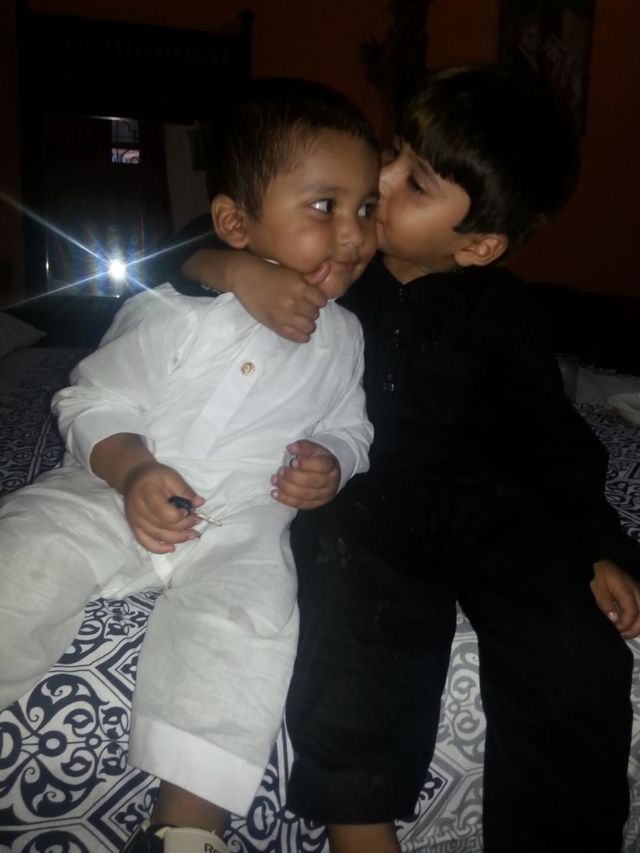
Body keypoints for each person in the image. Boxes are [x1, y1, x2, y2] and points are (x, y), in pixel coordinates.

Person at [175, 65, 640, 853]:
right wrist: (236, 270)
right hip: (368, 494)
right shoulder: (326, 266)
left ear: (479, 244)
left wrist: (600, 543)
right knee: (346, 589)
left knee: (575, 646)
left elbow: (553, 436)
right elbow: (179, 257)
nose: (381, 178)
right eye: (392, 151)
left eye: (415, 180)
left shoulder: (510, 311)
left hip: (495, 509)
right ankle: (358, 822)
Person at [0, 78, 380, 853]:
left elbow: (353, 424)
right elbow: (92, 400)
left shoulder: (346, 337)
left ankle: (186, 827)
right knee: (27, 547)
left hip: (241, 522)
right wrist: (132, 470)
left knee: (252, 619)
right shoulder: (175, 310)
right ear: (236, 223)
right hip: (115, 490)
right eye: (324, 205)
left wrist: (335, 460)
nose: (353, 234)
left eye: (366, 207)